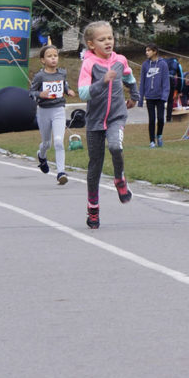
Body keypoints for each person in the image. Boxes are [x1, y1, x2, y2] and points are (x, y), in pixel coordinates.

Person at [77, 21, 139, 229]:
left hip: (116, 116)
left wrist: (135, 95)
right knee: (95, 166)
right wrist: (103, 81)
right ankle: (93, 209)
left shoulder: (120, 60)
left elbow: (129, 76)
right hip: (95, 121)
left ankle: (119, 179)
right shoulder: (89, 64)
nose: (108, 42)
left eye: (110, 38)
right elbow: (83, 93)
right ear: (91, 44)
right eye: (102, 39)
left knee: (116, 146)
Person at [29, 43, 70, 185]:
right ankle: (41, 156)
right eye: (49, 56)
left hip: (59, 110)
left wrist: (68, 91)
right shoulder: (40, 76)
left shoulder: (62, 73)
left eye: (55, 55)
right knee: (47, 143)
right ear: (42, 60)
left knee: (59, 141)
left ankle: (61, 173)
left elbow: (64, 85)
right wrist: (40, 94)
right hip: (44, 111)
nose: (53, 58)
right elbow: (31, 93)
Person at [139, 43, 169, 147]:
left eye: (148, 50)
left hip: (160, 97)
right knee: (151, 119)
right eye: (146, 50)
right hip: (149, 97)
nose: (146, 53)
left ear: (155, 51)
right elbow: (142, 82)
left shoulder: (163, 64)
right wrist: (140, 98)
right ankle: (152, 141)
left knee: (160, 118)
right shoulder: (145, 65)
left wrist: (164, 96)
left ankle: (159, 135)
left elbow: (166, 81)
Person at [164, 50, 184, 120]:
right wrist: (179, 90)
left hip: (161, 80)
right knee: (170, 100)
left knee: (160, 100)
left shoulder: (164, 61)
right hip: (170, 80)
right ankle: (168, 118)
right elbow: (181, 78)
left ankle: (159, 117)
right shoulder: (177, 64)